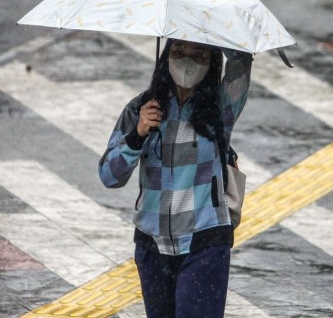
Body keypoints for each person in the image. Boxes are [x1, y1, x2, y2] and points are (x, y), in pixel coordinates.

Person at [99, 39, 252, 318]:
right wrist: (137, 134)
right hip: (151, 246)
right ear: (165, 55)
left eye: (199, 54)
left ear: (213, 61)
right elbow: (109, 176)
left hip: (205, 243)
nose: (186, 60)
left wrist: (214, 28)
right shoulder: (140, 108)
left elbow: (241, 61)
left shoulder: (220, 108)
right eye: (178, 50)